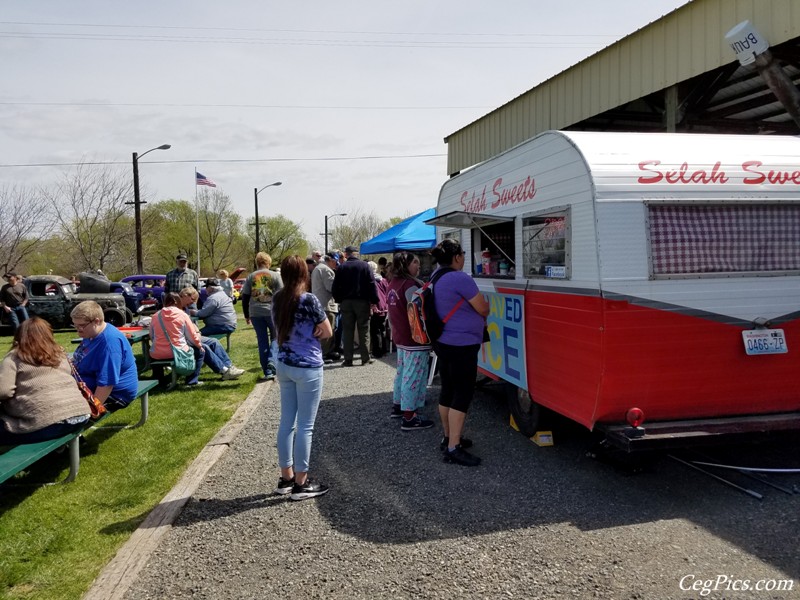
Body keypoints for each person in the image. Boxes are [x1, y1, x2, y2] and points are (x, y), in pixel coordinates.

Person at [272, 255, 333, 501]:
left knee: (287, 422)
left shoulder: (278, 299)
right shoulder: (308, 300)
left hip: (284, 364)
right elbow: (327, 331)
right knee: (306, 425)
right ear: (303, 274)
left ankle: (286, 477)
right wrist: (314, 330)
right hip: (307, 366)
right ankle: (301, 482)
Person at [431, 239, 490, 467]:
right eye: (463, 254)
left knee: (447, 389)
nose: (464, 257)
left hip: (443, 342)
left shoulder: (436, 277)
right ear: (456, 257)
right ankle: (454, 448)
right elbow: (483, 308)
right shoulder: (460, 278)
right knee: (462, 393)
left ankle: (448, 438)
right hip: (462, 344)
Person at [0, 317, 90, 444]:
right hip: (82, 415)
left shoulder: (14, 357)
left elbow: (3, 391)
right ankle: (62, 448)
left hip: (49, 422)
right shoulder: (59, 354)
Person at [151, 293, 244, 386]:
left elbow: (152, 336)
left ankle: (226, 369)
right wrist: (199, 346)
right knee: (201, 350)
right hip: (177, 351)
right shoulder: (182, 315)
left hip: (157, 353)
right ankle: (192, 381)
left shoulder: (155, 316)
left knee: (208, 344)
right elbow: (192, 336)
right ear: (178, 302)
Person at [386, 252, 434, 429]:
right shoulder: (409, 285)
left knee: (402, 373)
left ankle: (399, 406)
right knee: (412, 376)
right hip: (414, 339)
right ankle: (409, 416)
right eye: (414, 262)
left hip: (400, 337)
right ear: (404, 265)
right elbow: (418, 310)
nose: (418, 266)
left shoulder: (393, 283)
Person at [71, 301, 139, 411]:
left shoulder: (109, 344)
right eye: (75, 325)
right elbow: (79, 356)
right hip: (86, 384)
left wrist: (92, 410)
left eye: (81, 325)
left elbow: (106, 384)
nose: (78, 329)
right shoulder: (91, 333)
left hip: (115, 395)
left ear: (96, 321)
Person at [331, 245, 378, 367]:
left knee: (347, 331)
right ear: (356, 254)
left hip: (346, 302)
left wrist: (339, 299)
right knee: (364, 330)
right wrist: (374, 300)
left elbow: (335, 286)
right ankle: (365, 358)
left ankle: (348, 359)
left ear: (346, 254)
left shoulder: (342, 268)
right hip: (362, 301)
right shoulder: (364, 266)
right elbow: (372, 284)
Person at [241, 252, 283, 381]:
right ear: (268, 262)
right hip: (272, 311)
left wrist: (246, 314)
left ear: (257, 263)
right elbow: (282, 294)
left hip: (255, 312)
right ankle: (272, 360)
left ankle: (267, 371)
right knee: (276, 338)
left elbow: (245, 297)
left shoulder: (251, 277)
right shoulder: (275, 275)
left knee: (262, 341)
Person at [310, 252, 340, 360]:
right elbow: (331, 287)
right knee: (328, 330)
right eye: (335, 262)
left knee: (321, 330)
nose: (336, 264)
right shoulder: (326, 270)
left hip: (319, 304)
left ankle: (326, 351)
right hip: (326, 304)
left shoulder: (317, 268)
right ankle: (325, 353)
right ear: (331, 260)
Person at [368, 261, 389, 359]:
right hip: (384, 307)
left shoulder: (370, 280)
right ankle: (384, 349)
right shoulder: (383, 280)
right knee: (383, 328)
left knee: (375, 330)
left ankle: (377, 351)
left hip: (376, 307)